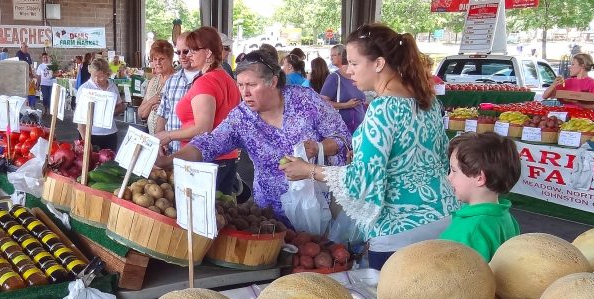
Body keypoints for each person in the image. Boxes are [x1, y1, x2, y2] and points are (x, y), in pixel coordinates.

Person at [280, 23, 459, 270]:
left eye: (353, 63)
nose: (348, 70)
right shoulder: (426, 102)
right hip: (444, 218)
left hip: (400, 228)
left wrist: (307, 170)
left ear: (378, 64)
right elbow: (437, 160)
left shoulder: (383, 108)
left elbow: (361, 180)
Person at [157, 50, 349, 226]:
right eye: (240, 85)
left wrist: (318, 147)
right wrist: (168, 161)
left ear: (273, 82)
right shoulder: (241, 118)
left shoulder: (304, 100)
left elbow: (342, 137)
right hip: (270, 215)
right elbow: (208, 144)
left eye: (252, 85)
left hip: (319, 209)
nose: (245, 92)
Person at [155, 26, 241, 194]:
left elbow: (203, 128)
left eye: (193, 50)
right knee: (220, 212)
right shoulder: (228, 79)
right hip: (226, 158)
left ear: (208, 53)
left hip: (204, 160)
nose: (189, 55)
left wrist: (168, 135)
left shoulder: (206, 81)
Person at [439, 133, 522, 262]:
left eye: (453, 171)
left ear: (479, 178)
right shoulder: (505, 217)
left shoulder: (469, 232)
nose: (448, 177)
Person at [156, 32, 200, 152]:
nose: (182, 56)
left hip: (197, 153)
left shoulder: (206, 80)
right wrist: (159, 141)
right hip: (171, 151)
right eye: (178, 52)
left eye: (185, 51)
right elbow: (162, 113)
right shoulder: (172, 81)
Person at [76, 58, 125, 150]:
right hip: (91, 134)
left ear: (108, 74)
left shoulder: (112, 86)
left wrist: (110, 112)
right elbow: (79, 118)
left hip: (110, 133)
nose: (97, 80)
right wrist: (85, 141)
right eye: (94, 76)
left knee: (110, 162)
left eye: (101, 76)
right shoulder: (84, 89)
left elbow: (120, 106)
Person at [320, 46, 367, 134]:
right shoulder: (334, 77)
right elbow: (322, 103)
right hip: (342, 131)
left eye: (333, 55)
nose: (331, 58)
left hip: (359, 130)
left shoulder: (356, 76)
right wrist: (345, 105)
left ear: (342, 55)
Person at [137, 40, 176, 134]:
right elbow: (141, 114)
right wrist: (151, 101)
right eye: (155, 59)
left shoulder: (178, 80)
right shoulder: (153, 81)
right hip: (152, 136)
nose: (157, 63)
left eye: (162, 59)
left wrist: (164, 108)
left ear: (170, 59)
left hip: (171, 137)